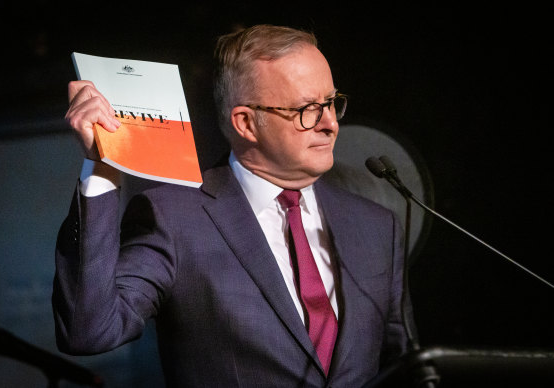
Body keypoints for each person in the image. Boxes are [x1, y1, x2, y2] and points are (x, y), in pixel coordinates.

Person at [54, 24, 410, 387]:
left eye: (332, 103)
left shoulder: (377, 226)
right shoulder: (175, 217)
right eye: (308, 109)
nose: (331, 123)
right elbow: (90, 331)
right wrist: (101, 166)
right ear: (246, 123)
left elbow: (405, 368)